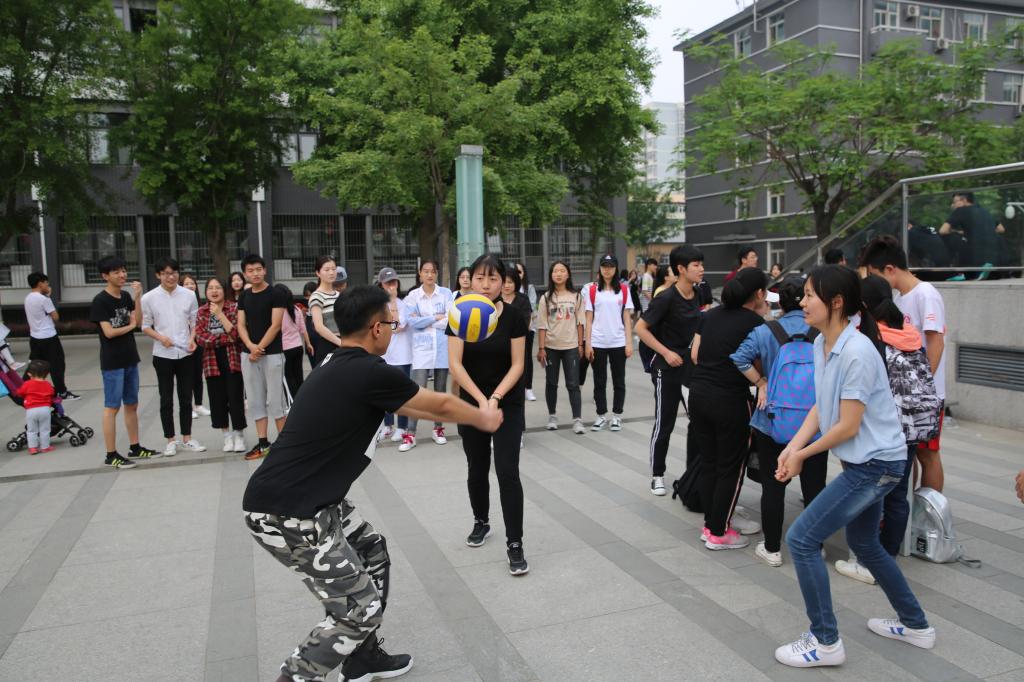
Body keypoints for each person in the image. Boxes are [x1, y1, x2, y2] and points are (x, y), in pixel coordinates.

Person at [243, 285, 503, 682]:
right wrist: (481, 417)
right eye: (392, 324)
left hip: (314, 500)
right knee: (357, 611)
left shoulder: (340, 361)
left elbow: (411, 404)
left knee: (371, 550)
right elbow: (439, 403)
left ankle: (362, 659)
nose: (394, 331)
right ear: (376, 328)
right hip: (287, 510)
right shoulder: (365, 370)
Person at [774, 265, 934, 667]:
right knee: (864, 544)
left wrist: (802, 456)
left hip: (876, 466)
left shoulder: (857, 351)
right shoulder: (821, 343)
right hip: (867, 462)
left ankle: (825, 642)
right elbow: (822, 404)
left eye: (810, 295)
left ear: (836, 302)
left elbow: (848, 425)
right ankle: (916, 625)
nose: (802, 302)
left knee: (802, 540)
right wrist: (792, 447)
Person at [832, 274, 942, 585]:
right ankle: (888, 557)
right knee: (897, 495)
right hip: (913, 426)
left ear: (862, 304)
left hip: (882, 430)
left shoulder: (870, 338)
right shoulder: (908, 332)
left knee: (866, 493)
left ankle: (867, 561)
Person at [731, 273, 825, 565]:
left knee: (773, 487)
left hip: (772, 420)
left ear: (780, 302)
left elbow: (739, 358)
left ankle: (772, 548)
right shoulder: (821, 332)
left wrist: (761, 382)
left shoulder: (766, 330)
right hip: (814, 421)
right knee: (814, 487)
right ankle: (815, 545)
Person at [447, 254, 529, 575]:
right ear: (471, 280)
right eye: (480, 278)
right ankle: (481, 521)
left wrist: (495, 398)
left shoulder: (514, 316)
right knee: (477, 467)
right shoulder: (459, 313)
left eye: (493, 278)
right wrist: (481, 400)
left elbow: (518, 364)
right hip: (472, 403)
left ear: (503, 282)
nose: (486, 284)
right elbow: (455, 365)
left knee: (508, 470)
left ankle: (515, 542)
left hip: (507, 402)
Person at [689, 268, 770, 550]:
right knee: (731, 468)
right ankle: (718, 532)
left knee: (710, 462)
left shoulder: (710, 316)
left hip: (699, 395)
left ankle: (711, 523)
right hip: (730, 401)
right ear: (759, 293)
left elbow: (695, 355)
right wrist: (760, 381)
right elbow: (759, 364)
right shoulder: (756, 323)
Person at [860, 236, 946, 492]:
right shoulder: (898, 298)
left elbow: (936, 343)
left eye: (875, 274)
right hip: (905, 394)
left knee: (928, 454)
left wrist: (922, 388)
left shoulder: (925, 294)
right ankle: (908, 506)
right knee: (909, 453)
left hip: (925, 395)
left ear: (890, 269)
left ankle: (929, 512)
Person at [635, 245, 704, 496]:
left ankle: (693, 476)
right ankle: (657, 474)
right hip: (666, 369)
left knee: (698, 422)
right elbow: (640, 329)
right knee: (665, 422)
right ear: (681, 269)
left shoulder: (699, 293)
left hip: (692, 369)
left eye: (701, 264)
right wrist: (665, 352)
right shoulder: (665, 297)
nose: (701, 268)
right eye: (696, 265)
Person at [89, 256, 158, 469]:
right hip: (112, 362)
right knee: (112, 407)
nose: (122, 275)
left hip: (130, 357)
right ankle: (111, 454)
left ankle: (135, 447)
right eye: (116, 272)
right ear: (105, 276)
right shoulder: (100, 301)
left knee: (131, 404)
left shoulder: (126, 296)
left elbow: (138, 320)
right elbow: (109, 332)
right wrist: (130, 326)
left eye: (124, 270)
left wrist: (138, 297)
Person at [141, 257, 205, 456]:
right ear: (158, 275)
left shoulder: (189, 295)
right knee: (166, 399)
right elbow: (145, 326)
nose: (171, 277)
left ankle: (187, 437)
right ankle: (170, 440)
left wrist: (192, 339)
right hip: (162, 354)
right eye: (166, 273)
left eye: (174, 272)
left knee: (186, 398)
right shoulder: (149, 298)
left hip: (185, 353)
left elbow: (195, 321)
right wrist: (161, 338)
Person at [236, 254, 291, 460]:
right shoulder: (244, 296)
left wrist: (258, 348)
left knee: (276, 400)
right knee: (255, 399)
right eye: (250, 271)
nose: (255, 274)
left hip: (272, 354)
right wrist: (251, 347)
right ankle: (262, 443)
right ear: (245, 273)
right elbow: (241, 324)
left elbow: (275, 325)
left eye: (258, 269)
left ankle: (284, 445)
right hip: (249, 355)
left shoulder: (276, 294)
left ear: (265, 270)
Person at [401, 259, 454, 451]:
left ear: (437, 273)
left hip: (441, 348)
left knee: (440, 391)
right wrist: (435, 318)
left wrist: (425, 320)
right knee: (417, 392)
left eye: (432, 271)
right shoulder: (413, 296)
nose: (429, 275)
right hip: (421, 349)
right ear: (420, 273)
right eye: (426, 271)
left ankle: (438, 429)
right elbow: (412, 322)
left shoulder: (446, 294)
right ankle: (410, 433)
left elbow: (450, 320)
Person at [195, 277, 247, 453]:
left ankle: (239, 435)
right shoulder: (202, 311)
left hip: (232, 359)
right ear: (206, 291)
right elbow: (201, 338)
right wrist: (223, 339)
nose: (214, 291)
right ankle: (227, 436)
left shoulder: (233, 308)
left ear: (224, 290)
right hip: (211, 361)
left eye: (218, 287)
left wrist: (219, 314)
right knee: (217, 400)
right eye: (210, 288)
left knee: (235, 399)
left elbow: (236, 334)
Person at [584, 254, 633, 432]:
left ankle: (617, 416)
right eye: (604, 266)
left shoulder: (624, 290)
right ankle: (601, 415)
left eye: (611, 266)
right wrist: (588, 344)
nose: (607, 270)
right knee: (599, 381)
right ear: (600, 268)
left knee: (619, 381)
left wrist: (629, 343)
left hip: (618, 342)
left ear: (616, 269)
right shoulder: (592, 290)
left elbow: (627, 319)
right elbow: (588, 319)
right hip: (598, 342)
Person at [537, 260, 585, 434]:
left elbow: (580, 322)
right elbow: (542, 324)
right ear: (551, 275)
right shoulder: (545, 298)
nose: (558, 274)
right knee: (551, 383)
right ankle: (552, 416)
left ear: (568, 274)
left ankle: (577, 420)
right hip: (551, 347)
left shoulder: (576, 296)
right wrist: (541, 348)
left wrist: (580, 344)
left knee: (573, 384)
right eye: (555, 271)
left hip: (571, 346)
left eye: (562, 271)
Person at [24, 272, 78, 400]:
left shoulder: (28, 298)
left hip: (35, 337)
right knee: (57, 365)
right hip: (48, 337)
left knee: (35, 364)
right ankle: (61, 392)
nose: (48, 285)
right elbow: (55, 317)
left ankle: (23, 388)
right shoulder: (44, 299)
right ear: (40, 283)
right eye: (46, 282)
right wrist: (48, 297)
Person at [378, 267, 413, 443]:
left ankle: (402, 426)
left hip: (403, 356)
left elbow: (396, 327)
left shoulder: (404, 304)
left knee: (401, 393)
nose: (391, 285)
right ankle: (388, 425)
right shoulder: (378, 306)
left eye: (393, 282)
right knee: (385, 392)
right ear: (381, 285)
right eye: (387, 283)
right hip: (384, 355)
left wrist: (392, 302)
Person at [939, 191, 999, 273]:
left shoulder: (961, 210)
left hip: (973, 253)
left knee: (949, 237)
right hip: (993, 254)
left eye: (955, 202)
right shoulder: (984, 211)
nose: (953, 205)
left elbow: (943, 231)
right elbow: (1001, 229)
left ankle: (951, 267)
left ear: (964, 200)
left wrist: (956, 231)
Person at [180, 272, 211, 419]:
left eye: (192, 283)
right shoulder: (178, 303)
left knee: (198, 374)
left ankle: (198, 404)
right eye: (186, 284)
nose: (190, 286)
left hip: (199, 342)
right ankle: (188, 407)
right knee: (186, 376)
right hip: (183, 343)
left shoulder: (200, 304)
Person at [278, 284, 312, 404]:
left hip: (285, 348)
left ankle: (292, 402)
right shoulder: (297, 310)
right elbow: (303, 329)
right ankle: (301, 401)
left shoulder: (279, 313)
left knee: (288, 377)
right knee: (298, 375)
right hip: (298, 347)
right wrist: (308, 344)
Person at [16, 359, 57, 454]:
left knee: (31, 430)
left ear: (29, 374)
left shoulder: (27, 384)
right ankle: (45, 447)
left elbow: (20, 393)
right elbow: (52, 393)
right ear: (46, 374)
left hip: (31, 410)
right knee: (45, 429)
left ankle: (33, 448)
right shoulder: (47, 384)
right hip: (45, 409)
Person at [309, 255, 342, 367]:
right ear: (318, 273)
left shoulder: (339, 295)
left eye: (333, 269)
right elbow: (319, 327)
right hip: (329, 345)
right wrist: (340, 342)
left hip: (344, 344)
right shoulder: (316, 297)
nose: (331, 273)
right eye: (327, 270)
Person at [514, 262, 539, 402]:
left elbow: (532, 307)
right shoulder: (506, 287)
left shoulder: (529, 288)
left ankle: (528, 388)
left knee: (527, 358)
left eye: (520, 271)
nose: (517, 274)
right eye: (515, 271)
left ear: (524, 273)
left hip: (527, 328)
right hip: (511, 328)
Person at [302, 280, 321, 366]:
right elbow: (302, 327)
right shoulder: (306, 309)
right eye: (306, 296)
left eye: (310, 295)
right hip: (309, 342)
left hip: (320, 341)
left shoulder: (320, 305)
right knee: (313, 365)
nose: (308, 298)